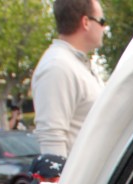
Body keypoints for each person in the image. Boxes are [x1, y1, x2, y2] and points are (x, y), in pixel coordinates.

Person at [30, 0, 106, 157]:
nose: (104, 28)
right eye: (101, 21)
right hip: (84, 180)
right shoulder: (58, 67)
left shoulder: (75, 65)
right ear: (86, 22)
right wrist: (60, 180)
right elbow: (52, 139)